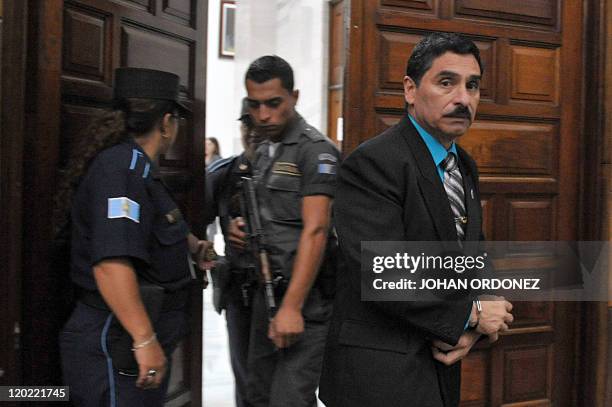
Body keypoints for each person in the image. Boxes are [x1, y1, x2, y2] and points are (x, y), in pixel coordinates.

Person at [318, 33, 514, 407]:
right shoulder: (374, 162)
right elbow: (384, 270)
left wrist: (482, 306)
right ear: (410, 89)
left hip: (439, 365)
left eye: (472, 86)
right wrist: (470, 315)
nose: (463, 98)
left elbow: (470, 252)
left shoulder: (464, 165)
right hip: (379, 375)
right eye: (446, 82)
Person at [57, 67, 210, 407]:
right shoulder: (121, 170)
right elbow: (111, 264)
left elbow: (161, 229)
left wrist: (195, 248)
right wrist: (144, 339)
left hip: (130, 339)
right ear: (167, 122)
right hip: (116, 340)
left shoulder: (141, 170)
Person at [228, 55, 340, 407]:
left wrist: (291, 306)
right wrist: (239, 228)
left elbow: (317, 229)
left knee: (289, 400)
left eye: (274, 103)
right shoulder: (263, 150)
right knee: (257, 395)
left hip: (304, 300)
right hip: (265, 294)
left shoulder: (315, 151)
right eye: (255, 105)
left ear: (294, 96)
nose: (263, 115)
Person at [204, 98, 264, 407]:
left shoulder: (298, 171)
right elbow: (191, 225)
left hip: (286, 292)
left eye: (258, 125)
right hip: (241, 292)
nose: (252, 132)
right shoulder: (225, 175)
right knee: (246, 378)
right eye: (246, 125)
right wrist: (209, 250)